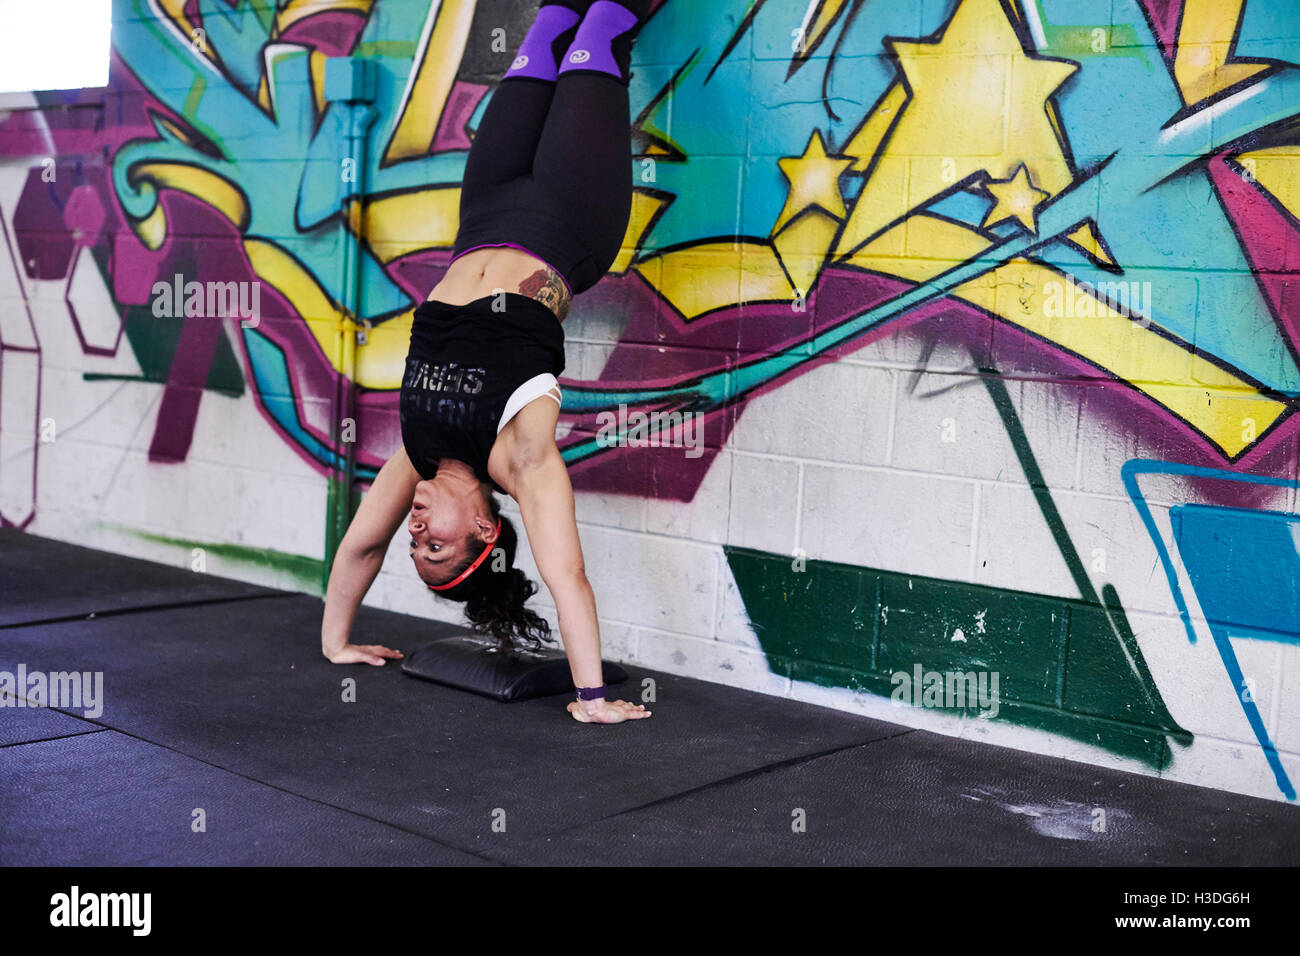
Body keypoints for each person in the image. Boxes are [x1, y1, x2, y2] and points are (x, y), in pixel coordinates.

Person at [320, 0, 654, 725]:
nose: (415, 532)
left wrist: (336, 641)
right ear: (481, 529)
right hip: (571, 219)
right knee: (599, 30)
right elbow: (567, 576)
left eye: (417, 546)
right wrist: (592, 698)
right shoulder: (521, 459)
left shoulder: (420, 451)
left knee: (545, 29)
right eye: (435, 544)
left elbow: (359, 546)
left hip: (484, 216)